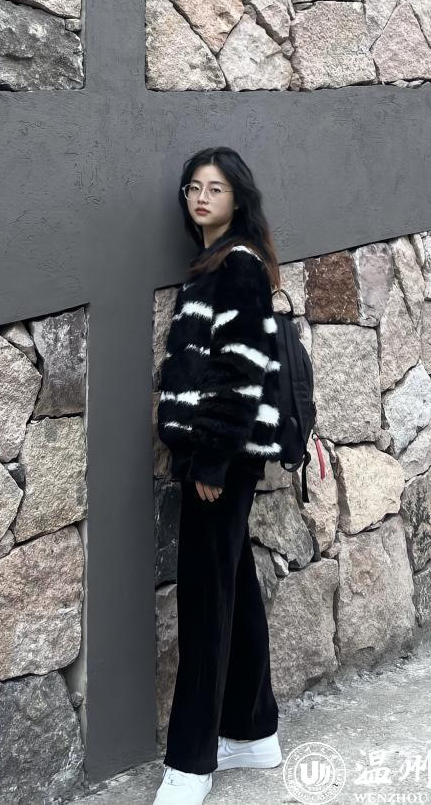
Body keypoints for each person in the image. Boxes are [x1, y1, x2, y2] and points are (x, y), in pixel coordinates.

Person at [154, 147, 284, 805]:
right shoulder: (212, 265)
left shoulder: (237, 265)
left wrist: (210, 458)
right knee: (232, 586)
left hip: (220, 458)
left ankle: (190, 763)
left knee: (204, 604)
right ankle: (253, 732)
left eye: (216, 188)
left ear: (238, 199)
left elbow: (241, 367)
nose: (201, 197)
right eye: (193, 187)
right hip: (214, 454)